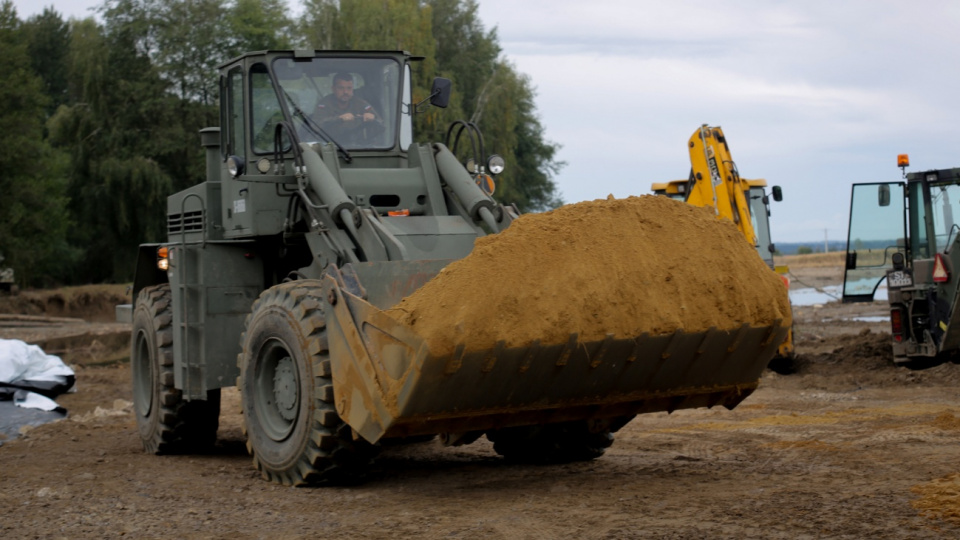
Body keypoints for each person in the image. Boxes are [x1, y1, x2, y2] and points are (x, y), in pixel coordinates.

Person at [314, 72, 381, 143]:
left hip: (359, 147)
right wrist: (339, 119)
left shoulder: (360, 103)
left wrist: (372, 118)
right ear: (333, 89)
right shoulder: (325, 104)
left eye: (349, 88)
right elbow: (316, 126)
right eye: (341, 88)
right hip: (331, 145)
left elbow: (381, 125)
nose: (345, 92)